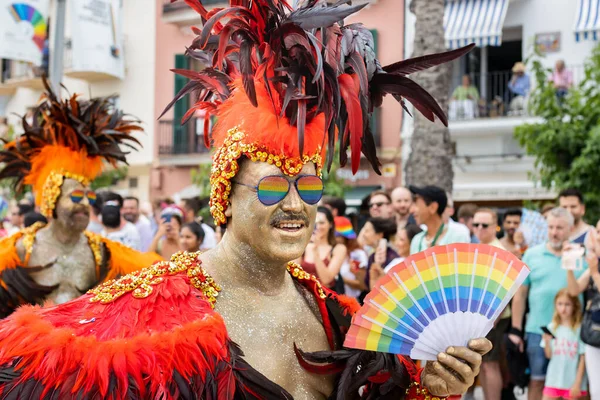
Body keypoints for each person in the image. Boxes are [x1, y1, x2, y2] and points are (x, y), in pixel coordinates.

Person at [0, 2, 489, 397]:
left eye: (310, 186)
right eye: (274, 185)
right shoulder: (151, 305)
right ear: (225, 197)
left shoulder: (336, 314)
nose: (296, 204)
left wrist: (431, 388)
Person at [0, 82, 161, 317]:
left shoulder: (101, 252)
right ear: (50, 200)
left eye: (89, 196)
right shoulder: (21, 249)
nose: (85, 203)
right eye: (76, 196)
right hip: (31, 351)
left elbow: (152, 270)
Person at [510, 207, 586, 400]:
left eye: (560, 228)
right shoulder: (532, 255)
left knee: (571, 385)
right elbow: (520, 295)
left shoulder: (581, 257)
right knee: (537, 381)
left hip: (572, 332)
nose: (554, 232)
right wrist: (516, 329)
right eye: (551, 227)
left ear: (570, 229)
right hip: (538, 329)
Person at [473, 208, 512, 400]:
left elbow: (507, 290)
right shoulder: (479, 248)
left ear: (495, 227)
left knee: (490, 364)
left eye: (485, 225)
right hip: (479, 316)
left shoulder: (499, 252)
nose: (480, 228)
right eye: (476, 224)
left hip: (493, 317)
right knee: (483, 364)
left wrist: (493, 319)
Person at [565, 221, 600, 400]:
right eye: (599, 231)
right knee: (596, 391)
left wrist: (594, 272)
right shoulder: (596, 263)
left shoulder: (595, 267)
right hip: (594, 332)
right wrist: (569, 268)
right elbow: (574, 290)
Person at [541, 289, 587, 400]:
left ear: (574, 306)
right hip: (553, 380)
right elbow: (548, 355)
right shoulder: (552, 327)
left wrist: (578, 383)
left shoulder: (579, 329)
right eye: (560, 304)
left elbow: (583, 357)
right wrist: (547, 342)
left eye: (567, 304)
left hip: (572, 382)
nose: (563, 308)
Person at [409, 185, 470, 255]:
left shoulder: (457, 235)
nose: (411, 210)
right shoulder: (417, 240)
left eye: (416, 204)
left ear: (433, 207)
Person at [300, 206, 347, 289]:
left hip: (325, 298)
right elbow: (292, 272)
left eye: (321, 223)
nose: (317, 227)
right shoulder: (303, 246)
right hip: (302, 296)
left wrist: (315, 251)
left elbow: (327, 279)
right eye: (314, 223)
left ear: (330, 224)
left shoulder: (339, 248)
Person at [371, 224, 423, 288]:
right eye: (397, 238)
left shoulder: (418, 267)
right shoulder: (396, 262)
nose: (396, 243)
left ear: (413, 242)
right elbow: (376, 290)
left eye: (401, 240)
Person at [360, 217, 398, 291]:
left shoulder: (393, 258)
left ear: (379, 235)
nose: (363, 234)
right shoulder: (372, 256)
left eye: (367, 231)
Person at [334, 216, 368, 300]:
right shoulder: (331, 251)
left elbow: (361, 285)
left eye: (337, 235)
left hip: (351, 304)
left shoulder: (357, 255)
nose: (334, 238)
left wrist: (339, 279)